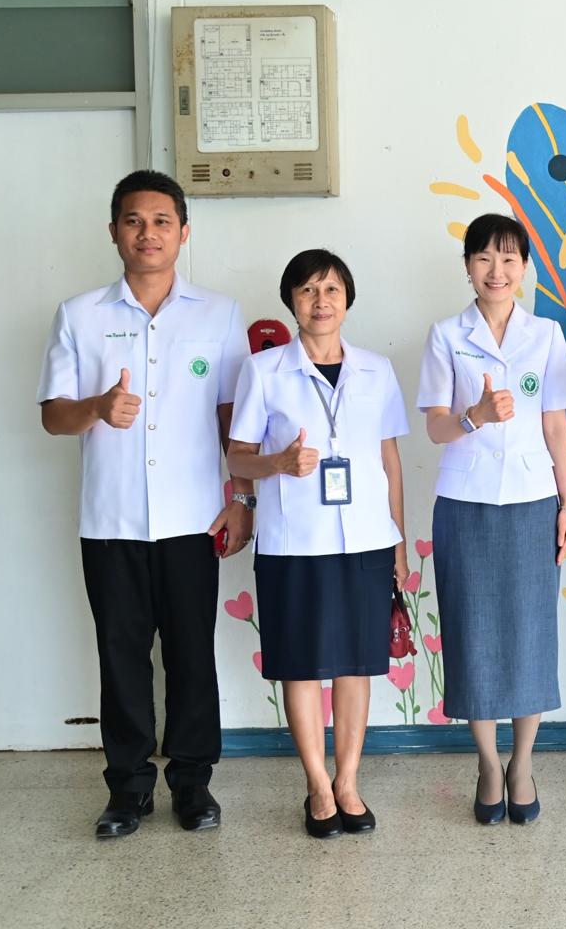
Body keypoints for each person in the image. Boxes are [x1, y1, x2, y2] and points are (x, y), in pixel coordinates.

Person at [37, 169, 251, 839]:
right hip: (112, 520)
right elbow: (53, 416)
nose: (147, 233)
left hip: (193, 517)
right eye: (134, 221)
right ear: (114, 232)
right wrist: (98, 408)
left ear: (183, 232)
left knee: (191, 655)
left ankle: (192, 783)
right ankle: (128, 789)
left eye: (161, 221)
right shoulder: (79, 315)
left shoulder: (220, 314)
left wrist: (241, 497)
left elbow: (235, 420)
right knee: (121, 656)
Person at [227, 249, 410, 840]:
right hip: (293, 541)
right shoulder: (262, 371)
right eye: (307, 290)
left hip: (366, 538)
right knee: (301, 665)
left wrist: (398, 539)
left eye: (331, 289)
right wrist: (277, 463)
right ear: (292, 302)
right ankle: (316, 785)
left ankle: (348, 781)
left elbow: (389, 461)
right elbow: (237, 456)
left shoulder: (377, 370)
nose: (320, 301)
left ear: (348, 300)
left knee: (357, 665)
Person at [417, 213, 566, 826]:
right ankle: (488, 763)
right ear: (467, 266)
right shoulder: (445, 335)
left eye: (509, 258)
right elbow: (436, 427)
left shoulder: (546, 334)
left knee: (531, 632)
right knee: (473, 632)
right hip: (466, 502)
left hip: (534, 501)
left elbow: (555, 424)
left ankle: (522, 763)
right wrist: (476, 415)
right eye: (484, 258)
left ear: (524, 268)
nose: (497, 270)